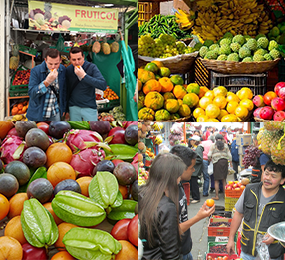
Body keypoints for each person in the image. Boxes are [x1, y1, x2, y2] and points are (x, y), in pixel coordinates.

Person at [227, 160, 285, 260]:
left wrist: (275, 235)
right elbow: (238, 214)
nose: (268, 178)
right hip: (247, 251)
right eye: (266, 174)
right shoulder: (250, 190)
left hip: (271, 254)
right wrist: (231, 239)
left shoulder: (283, 199)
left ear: (282, 180)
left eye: (273, 176)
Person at [170, 145, 215, 260]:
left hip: (185, 247)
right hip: (175, 253)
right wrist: (198, 217)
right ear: (180, 168)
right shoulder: (167, 194)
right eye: (192, 167)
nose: (194, 170)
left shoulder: (179, 185)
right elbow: (173, 230)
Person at [139, 153, 185, 260]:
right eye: (179, 176)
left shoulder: (141, 193)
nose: (179, 180)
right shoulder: (167, 207)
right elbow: (171, 254)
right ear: (172, 178)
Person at [65, 47, 107, 121]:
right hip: (73, 108)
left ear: (83, 57)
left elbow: (103, 85)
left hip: (89, 108)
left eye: (79, 59)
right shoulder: (68, 70)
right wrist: (66, 109)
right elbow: (66, 90)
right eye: (74, 60)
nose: (77, 62)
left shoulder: (92, 67)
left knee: (92, 130)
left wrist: (84, 76)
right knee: (76, 131)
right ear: (70, 59)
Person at [26, 48, 67, 121]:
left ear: (60, 60)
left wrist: (63, 108)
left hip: (55, 111)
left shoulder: (62, 69)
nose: (53, 67)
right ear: (45, 60)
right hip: (39, 112)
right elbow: (32, 93)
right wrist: (47, 82)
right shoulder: (35, 71)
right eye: (50, 64)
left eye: (56, 64)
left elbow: (64, 91)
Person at [208, 133, 232, 200]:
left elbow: (209, 154)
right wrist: (231, 162)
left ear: (215, 139)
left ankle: (217, 196)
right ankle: (225, 195)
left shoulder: (213, 145)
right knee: (224, 179)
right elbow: (229, 155)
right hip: (224, 162)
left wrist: (209, 159)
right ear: (222, 139)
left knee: (216, 180)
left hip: (217, 163)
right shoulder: (225, 145)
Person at [189, 135, 204, 204]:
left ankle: (196, 197)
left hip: (196, 168)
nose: (190, 142)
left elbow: (200, 159)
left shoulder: (198, 148)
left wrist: (192, 161)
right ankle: (194, 196)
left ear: (195, 141)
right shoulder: (195, 148)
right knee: (192, 182)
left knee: (194, 183)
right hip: (194, 167)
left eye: (192, 140)